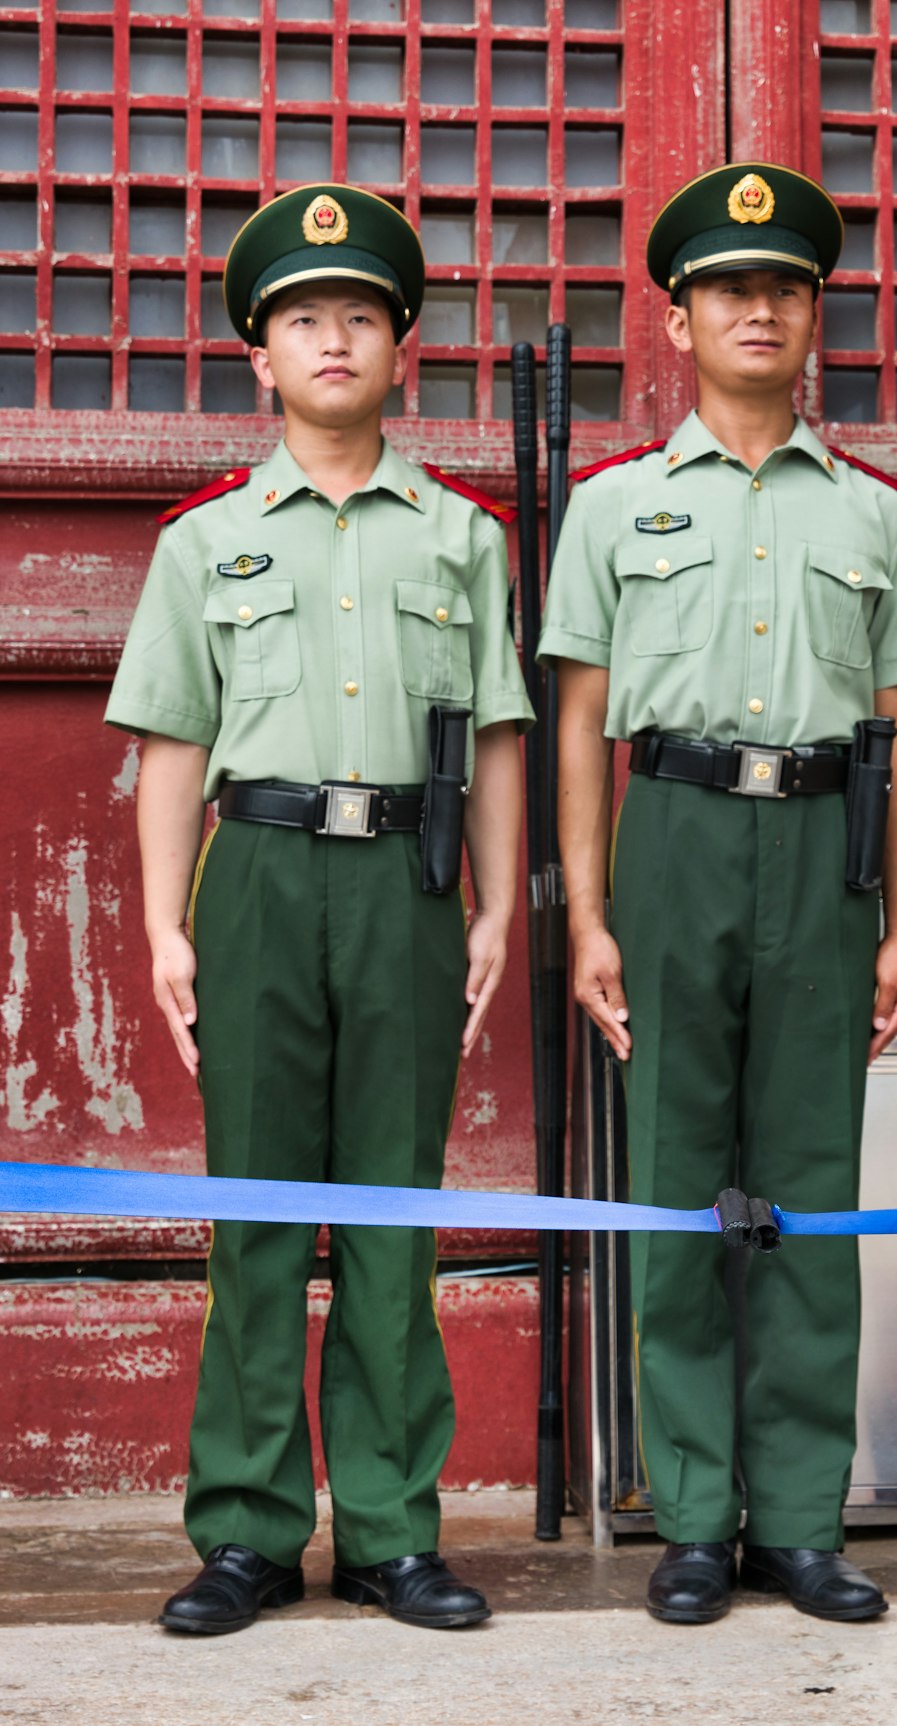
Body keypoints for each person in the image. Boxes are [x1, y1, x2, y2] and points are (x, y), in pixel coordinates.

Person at [105, 183, 533, 1635]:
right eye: (304, 319)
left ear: (401, 347)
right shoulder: (202, 543)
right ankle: (244, 1527)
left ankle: (393, 1530)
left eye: (360, 315)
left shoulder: (460, 538)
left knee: (394, 1216)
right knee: (259, 1217)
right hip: (265, 877)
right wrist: (166, 925)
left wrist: (492, 908)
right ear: (260, 356)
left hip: (410, 884)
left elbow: (494, 737)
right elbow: (172, 743)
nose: (332, 338)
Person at [539, 163, 897, 1625]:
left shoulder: (876, 519)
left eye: (782, 286)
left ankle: (801, 1515)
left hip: (825, 847)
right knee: (675, 1180)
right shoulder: (612, 507)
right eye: (728, 287)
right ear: (680, 316)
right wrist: (588, 912)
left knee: (809, 1189)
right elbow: (583, 725)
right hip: (678, 837)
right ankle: (695, 1510)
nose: (757, 307)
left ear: (812, 312)